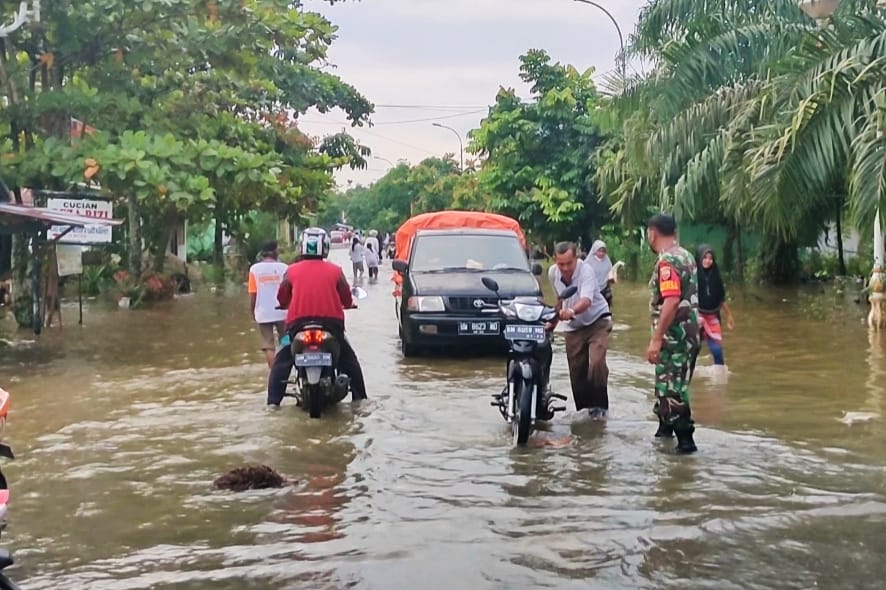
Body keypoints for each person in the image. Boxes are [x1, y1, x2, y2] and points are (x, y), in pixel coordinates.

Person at [267, 228, 368, 407]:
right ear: (325, 247)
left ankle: (273, 403)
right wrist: (349, 304)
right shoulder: (335, 271)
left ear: (301, 247)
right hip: (331, 325)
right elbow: (345, 296)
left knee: (281, 362)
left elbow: (282, 297)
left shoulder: (291, 271)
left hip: (297, 325)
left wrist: (285, 304)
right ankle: (360, 400)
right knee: (348, 359)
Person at [645, 214, 700, 453]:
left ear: (652, 233)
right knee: (673, 384)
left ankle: (686, 442)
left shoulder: (666, 262)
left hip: (674, 337)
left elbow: (671, 301)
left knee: (671, 389)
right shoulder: (685, 255)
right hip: (690, 335)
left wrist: (656, 339)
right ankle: (664, 431)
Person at [546, 241, 613, 420]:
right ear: (555, 260)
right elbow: (559, 300)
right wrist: (552, 323)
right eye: (561, 264)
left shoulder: (586, 271)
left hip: (597, 322)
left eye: (569, 263)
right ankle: (584, 414)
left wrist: (572, 311)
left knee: (596, 363)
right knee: (577, 373)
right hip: (574, 328)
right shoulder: (552, 273)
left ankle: (601, 409)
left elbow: (586, 300)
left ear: (576, 258)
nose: (566, 268)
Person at [691, 244, 735, 372]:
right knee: (693, 349)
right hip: (696, 315)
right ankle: (687, 374)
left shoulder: (716, 276)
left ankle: (719, 381)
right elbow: (686, 298)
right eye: (705, 257)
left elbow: (721, 299)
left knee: (717, 350)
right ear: (699, 258)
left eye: (710, 258)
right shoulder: (692, 277)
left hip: (712, 316)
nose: (708, 261)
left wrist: (729, 315)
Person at [248, 241, 289, 368]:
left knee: (268, 344)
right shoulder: (284, 268)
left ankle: (274, 371)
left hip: (263, 312)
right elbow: (290, 291)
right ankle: (286, 368)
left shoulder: (254, 270)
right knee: (285, 340)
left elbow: (253, 294)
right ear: (275, 252)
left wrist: (252, 311)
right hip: (282, 311)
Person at [587, 239, 615, 308]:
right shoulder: (588, 262)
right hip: (592, 290)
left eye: (603, 251)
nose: (601, 253)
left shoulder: (607, 260)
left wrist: (612, 278)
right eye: (599, 251)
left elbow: (610, 272)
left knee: (605, 309)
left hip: (605, 290)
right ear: (594, 250)